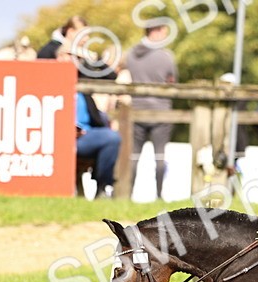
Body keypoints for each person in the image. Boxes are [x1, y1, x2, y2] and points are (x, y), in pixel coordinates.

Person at [122, 20, 178, 202]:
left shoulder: (130, 54)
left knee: (133, 155)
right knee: (160, 155)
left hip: (136, 109)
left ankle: (127, 194)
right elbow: (173, 82)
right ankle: (159, 195)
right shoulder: (166, 56)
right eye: (163, 31)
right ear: (156, 31)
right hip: (160, 111)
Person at [62, 45, 121, 199]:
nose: (72, 59)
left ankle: (103, 187)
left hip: (86, 135)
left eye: (77, 57)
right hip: (61, 137)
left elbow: (112, 77)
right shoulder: (49, 82)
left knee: (112, 137)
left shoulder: (82, 82)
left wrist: (97, 61)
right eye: (68, 55)